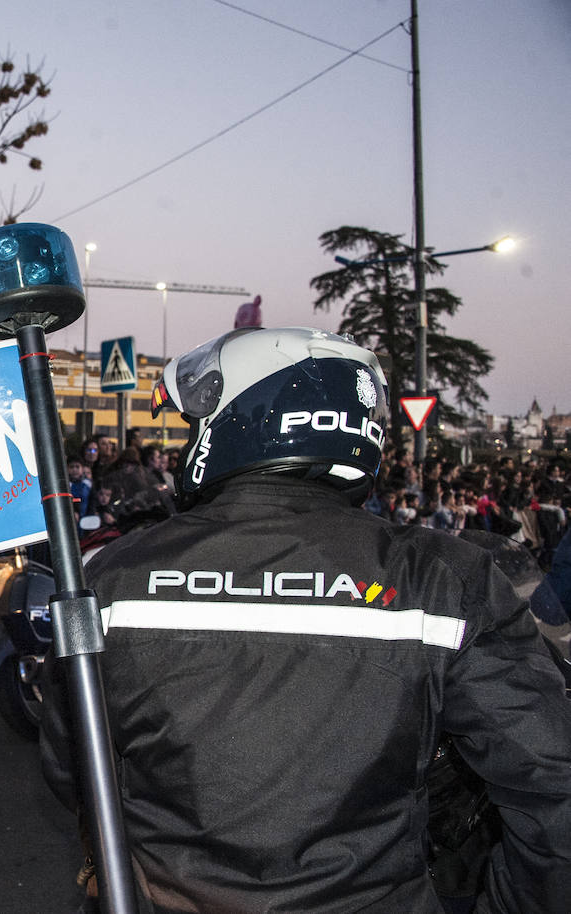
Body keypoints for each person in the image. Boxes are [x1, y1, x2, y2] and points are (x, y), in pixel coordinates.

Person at [42, 327, 571, 913]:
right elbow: (551, 785)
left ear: (243, 419)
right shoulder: (444, 578)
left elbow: (75, 769)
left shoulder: (109, 577)